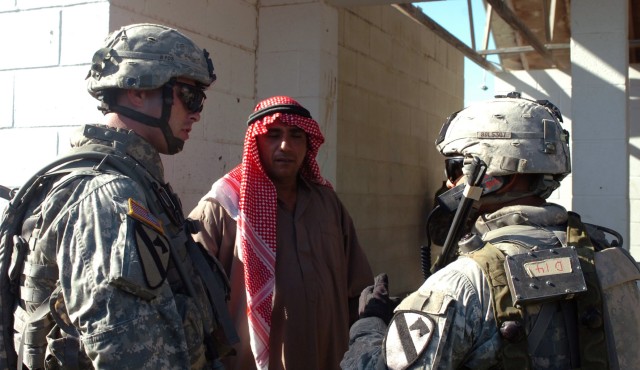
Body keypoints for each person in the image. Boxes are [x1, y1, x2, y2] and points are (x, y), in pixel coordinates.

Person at [341, 92, 640, 369]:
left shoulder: (462, 283)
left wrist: (369, 326)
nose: (449, 183)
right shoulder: (610, 259)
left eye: (455, 168)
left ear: (496, 176)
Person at [2, 23, 237, 369]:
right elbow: (133, 357)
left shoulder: (127, 182)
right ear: (137, 90)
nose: (197, 112)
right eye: (190, 95)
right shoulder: (109, 197)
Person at [188, 95, 374, 370]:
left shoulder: (327, 203)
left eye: (296, 136)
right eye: (273, 135)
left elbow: (357, 286)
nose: (285, 145)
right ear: (255, 141)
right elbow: (190, 300)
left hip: (331, 358)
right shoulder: (223, 207)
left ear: (307, 143)